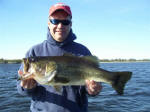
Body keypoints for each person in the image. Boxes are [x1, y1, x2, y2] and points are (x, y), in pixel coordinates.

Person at [17, 3, 102, 112]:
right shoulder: (34, 52)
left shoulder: (83, 51)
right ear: (48, 23)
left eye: (65, 22)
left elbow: (90, 88)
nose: (60, 26)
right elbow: (21, 89)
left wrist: (93, 90)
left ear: (70, 24)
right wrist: (26, 87)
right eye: (55, 21)